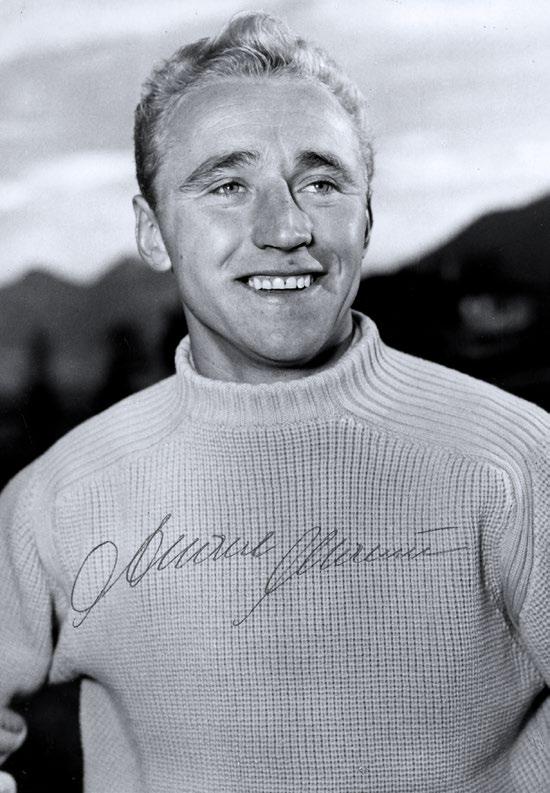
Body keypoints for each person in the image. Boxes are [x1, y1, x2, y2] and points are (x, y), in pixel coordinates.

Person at [1, 11, 549, 792]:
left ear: (365, 217)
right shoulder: (60, 496)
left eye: (321, 183)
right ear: (152, 230)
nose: (287, 227)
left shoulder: (519, 461)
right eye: (228, 185)